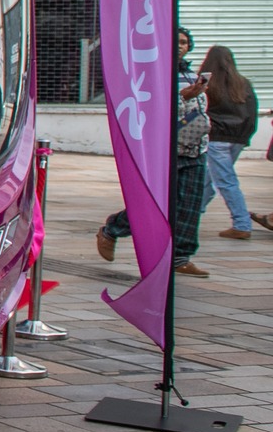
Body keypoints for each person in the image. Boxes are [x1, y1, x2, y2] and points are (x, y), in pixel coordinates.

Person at [98, 27, 210, 276]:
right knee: (156, 204)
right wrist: (182, 98)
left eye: (184, 42)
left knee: (189, 205)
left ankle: (181, 256)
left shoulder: (192, 75)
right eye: (176, 42)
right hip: (165, 150)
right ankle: (113, 228)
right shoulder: (155, 73)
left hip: (195, 149)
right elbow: (152, 107)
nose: (181, 46)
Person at [197, 45, 260, 240]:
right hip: (237, 139)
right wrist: (244, 137)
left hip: (217, 138)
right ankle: (189, 215)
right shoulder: (243, 83)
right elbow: (252, 112)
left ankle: (241, 223)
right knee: (210, 179)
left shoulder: (206, 83)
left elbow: (199, 110)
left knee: (225, 181)